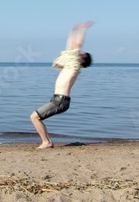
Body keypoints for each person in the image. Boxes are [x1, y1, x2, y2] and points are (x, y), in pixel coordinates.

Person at [30, 21, 94, 149]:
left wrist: (82, 30)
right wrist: (74, 30)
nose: (80, 52)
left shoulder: (74, 67)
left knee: (34, 117)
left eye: (82, 54)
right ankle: (47, 142)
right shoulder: (70, 65)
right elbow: (70, 47)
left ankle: (46, 142)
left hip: (61, 101)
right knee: (35, 117)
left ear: (82, 60)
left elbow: (76, 45)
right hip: (57, 100)